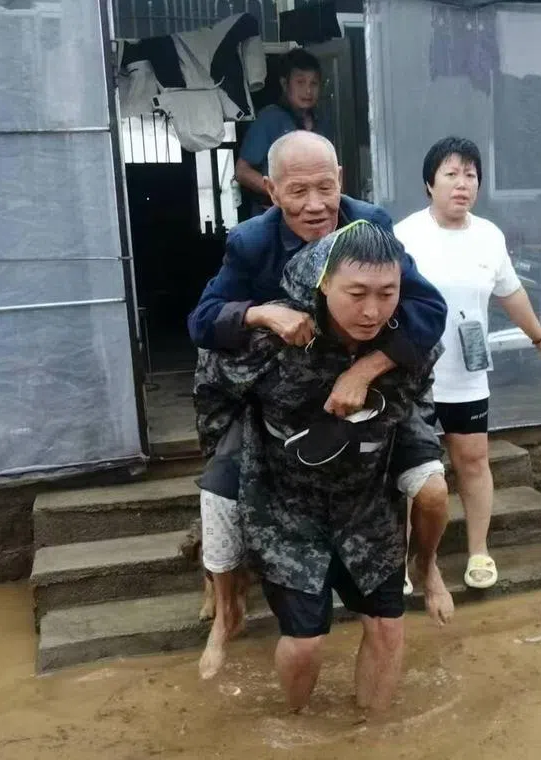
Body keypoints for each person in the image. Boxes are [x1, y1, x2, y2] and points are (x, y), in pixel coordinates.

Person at [188, 131, 453, 680]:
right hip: (284, 387)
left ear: (342, 182)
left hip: (376, 386)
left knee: (431, 487)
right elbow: (203, 323)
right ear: (270, 189)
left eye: (326, 188)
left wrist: (365, 368)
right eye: (299, 190)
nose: (315, 205)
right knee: (219, 490)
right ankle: (224, 603)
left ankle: (427, 570)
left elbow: (428, 310)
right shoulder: (251, 243)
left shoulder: (370, 226)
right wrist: (261, 314)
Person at [394, 136, 541, 590]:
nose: (462, 184)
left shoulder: (489, 236)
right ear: (429, 184)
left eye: (471, 175)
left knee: (472, 460)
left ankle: (478, 551)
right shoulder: (404, 236)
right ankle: (399, 562)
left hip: (467, 372)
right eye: (451, 174)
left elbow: (510, 293)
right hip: (414, 376)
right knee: (407, 469)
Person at [235, 48, 325, 217]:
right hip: (274, 216)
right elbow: (242, 172)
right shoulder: (270, 119)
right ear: (285, 84)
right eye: (300, 82)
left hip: (312, 213)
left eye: (313, 83)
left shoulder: (321, 122)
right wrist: (281, 194)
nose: (308, 91)